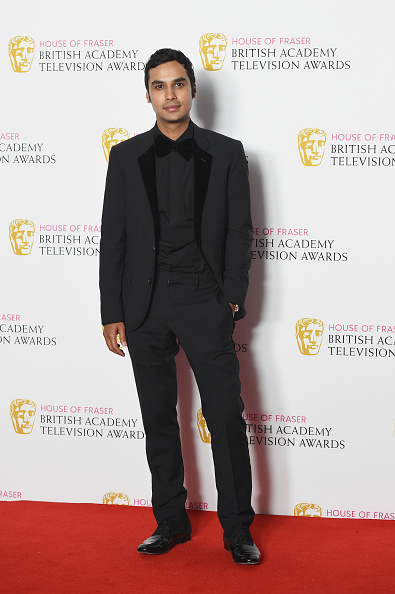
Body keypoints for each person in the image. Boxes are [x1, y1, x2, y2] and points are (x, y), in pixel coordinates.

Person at [100, 48, 260, 565]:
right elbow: (113, 239)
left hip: (203, 297)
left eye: (178, 84)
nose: (170, 94)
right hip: (142, 304)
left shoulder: (228, 152)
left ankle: (237, 528)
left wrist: (232, 295)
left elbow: (240, 231)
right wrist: (112, 310)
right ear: (147, 93)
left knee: (225, 415)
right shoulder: (125, 157)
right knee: (158, 418)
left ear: (192, 90)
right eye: (159, 86)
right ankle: (169, 521)